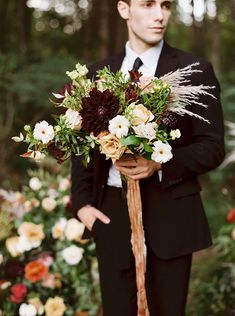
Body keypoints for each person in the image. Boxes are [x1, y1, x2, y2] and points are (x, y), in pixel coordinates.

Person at [71, 1, 225, 315]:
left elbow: (212, 146)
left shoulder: (194, 70)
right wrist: (82, 204)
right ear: (124, 9)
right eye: (148, 4)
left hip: (170, 214)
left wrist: (160, 163)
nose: (160, 15)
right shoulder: (95, 73)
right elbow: (80, 145)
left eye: (166, 6)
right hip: (111, 217)